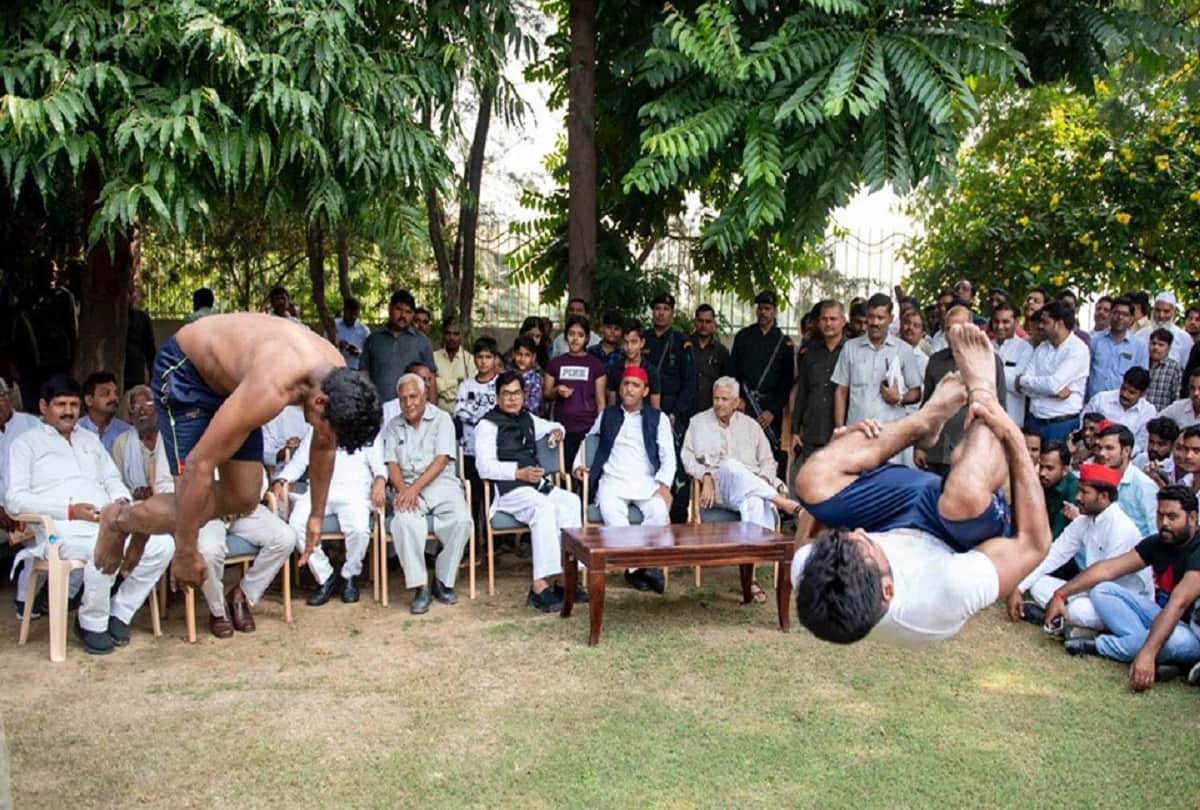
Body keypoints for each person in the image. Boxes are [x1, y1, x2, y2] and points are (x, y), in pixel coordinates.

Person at [89, 313, 381, 599]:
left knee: (245, 496)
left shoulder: (336, 379)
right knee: (194, 498)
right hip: (185, 372)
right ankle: (120, 519)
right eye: (326, 429)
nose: (323, 435)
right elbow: (199, 466)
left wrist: (316, 516)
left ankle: (145, 519)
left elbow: (324, 447)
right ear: (320, 402)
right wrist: (186, 552)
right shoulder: (272, 387)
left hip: (232, 383)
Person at [791, 323, 1051, 644]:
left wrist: (838, 455)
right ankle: (984, 393)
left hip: (890, 514)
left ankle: (927, 419)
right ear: (889, 588)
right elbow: (1035, 545)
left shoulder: (813, 572)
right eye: (866, 544)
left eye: (847, 537)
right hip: (951, 534)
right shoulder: (949, 590)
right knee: (962, 496)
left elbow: (810, 512)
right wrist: (1013, 438)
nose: (857, 531)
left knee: (811, 480)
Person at [7, 375, 172, 654]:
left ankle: (119, 612)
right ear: (44, 407)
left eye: (73, 404)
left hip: (105, 520)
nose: (69, 411)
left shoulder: (89, 440)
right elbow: (14, 500)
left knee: (163, 544)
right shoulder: (26, 444)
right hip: (59, 529)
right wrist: (70, 511)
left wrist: (120, 504)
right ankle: (92, 622)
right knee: (101, 549)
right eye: (61, 405)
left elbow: (112, 479)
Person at [1046, 486, 1200, 691]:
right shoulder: (1159, 542)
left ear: (1192, 518)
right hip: (1164, 617)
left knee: (1174, 641)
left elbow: (1178, 604)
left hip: (1193, 633)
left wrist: (1147, 653)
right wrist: (1061, 594)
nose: (1164, 523)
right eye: (1160, 515)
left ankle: (1099, 644)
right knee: (1102, 589)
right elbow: (1108, 568)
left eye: (1172, 517)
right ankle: (1159, 657)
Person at [475, 371, 581, 612]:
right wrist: (517, 473)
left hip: (536, 485)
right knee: (542, 508)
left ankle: (567, 580)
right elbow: (483, 467)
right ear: (497, 396)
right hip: (509, 490)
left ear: (524, 395)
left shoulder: (529, 419)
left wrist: (558, 432)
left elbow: (556, 425)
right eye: (506, 394)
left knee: (571, 502)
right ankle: (540, 587)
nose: (512, 399)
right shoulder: (488, 425)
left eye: (516, 393)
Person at [1007, 463, 1149, 633]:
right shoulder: (1084, 520)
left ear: (1103, 497)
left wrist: (1061, 595)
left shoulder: (1122, 529)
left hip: (1119, 600)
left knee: (1079, 609)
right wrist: (1019, 588)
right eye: (1079, 491)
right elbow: (1054, 554)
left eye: (1084, 492)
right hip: (1088, 591)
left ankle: (1067, 623)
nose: (1077, 497)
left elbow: (1102, 579)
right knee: (1039, 586)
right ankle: (1061, 620)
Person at [574, 366, 674, 593]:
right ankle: (638, 570)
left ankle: (640, 566)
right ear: (619, 388)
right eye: (625, 384)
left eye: (635, 385)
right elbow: (588, 440)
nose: (629, 389)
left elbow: (669, 455)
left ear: (646, 391)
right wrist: (577, 465)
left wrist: (664, 484)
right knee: (613, 515)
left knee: (659, 512)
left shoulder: (659, 419)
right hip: (612, 482)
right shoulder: (607, 415)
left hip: (647, 482)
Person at [383, 374, 472, 614]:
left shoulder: (442, 419)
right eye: (403, 399)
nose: (409, 403)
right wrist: (403, 490)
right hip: (407, 486)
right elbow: (391, 464)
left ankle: (443, 581)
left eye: (413, 397)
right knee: (403, 522)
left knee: (462, 521)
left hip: (441, 483)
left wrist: (414, 489)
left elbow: (441, 460)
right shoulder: (393, 425)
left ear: (424, 396)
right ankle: (420, 586)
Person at [273, 421, 386, 606]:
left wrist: (380, 482)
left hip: (355, 491)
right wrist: (282, 479)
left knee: (358, 529)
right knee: (296, 524)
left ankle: (350, 574)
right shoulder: (317, 429)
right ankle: (326, 577)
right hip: (319, 490)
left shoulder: (367, 427)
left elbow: (380, 467)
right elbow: (299, 462)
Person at [684, 376, 803, 533]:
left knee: (754, 502)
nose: (718, 403)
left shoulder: (751, 426)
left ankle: (755, 554)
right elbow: (687, 458)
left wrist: (762, 480)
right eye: (716, 398)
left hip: (750, 490)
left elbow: (768, 461)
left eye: (724, 399)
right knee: (729, 465)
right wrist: (705, 475)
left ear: (736, 403)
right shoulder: (697, 423)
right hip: (720, 490)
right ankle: (779, 501)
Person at [916, 305, 1005, 477]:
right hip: (936, 451)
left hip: (972, 451)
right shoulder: (936, 361)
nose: (953, 333)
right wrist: (920, 446)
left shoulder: (990, 361)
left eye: (958, 327)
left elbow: (1000, 408)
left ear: (971, 327)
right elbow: (926, 406)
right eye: (948, 328)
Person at [831, 293, 924, 452]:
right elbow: (841, 391)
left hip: (890, 438)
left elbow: (916, 393)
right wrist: (840, 430)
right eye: (871, 317)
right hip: (857, 436)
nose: (874, 323)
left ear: (891, 318)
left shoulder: (904, 350)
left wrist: (899, 398)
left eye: (880, 317)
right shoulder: (850, 348)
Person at [730, 291, 795, 452]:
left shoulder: (784, 343)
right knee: (741, 450)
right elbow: (733, 371)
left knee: (768, 453)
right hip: (744, 405)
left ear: (774, 310)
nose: (763, 312)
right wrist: (737, 398)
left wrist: (773, 410)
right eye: (760, 308)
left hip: (769, 409)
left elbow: (786, 382)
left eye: (767, 308)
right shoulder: (743, 337)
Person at [1017, 301, 1090, 443]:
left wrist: (1033, 385)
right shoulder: (1042, 347)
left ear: (1059, 324)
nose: (1040, 326)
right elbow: (1024, 384)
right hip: (1034, 422)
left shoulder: (1078, 350)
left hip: (1060, 425)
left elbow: (1052, 384)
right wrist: (1025, 382)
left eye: (1045, 322)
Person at [0, 376, 42, 615]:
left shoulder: (32, 426)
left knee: (44, 538)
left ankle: (25, 599)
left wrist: (24, 510)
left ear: (6, 399)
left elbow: (45, 476)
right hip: (1, 514)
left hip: (31, 509)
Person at [544, 315, 607, 471]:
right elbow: (546, 394)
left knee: (585, 472)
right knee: (563, 472)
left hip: (588, 428)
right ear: (565, 336)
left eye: (580, 335)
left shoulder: (596, 365)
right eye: (571, 334)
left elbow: (601, 401)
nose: (575, 339)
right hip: (561, 428)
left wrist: (601, 428)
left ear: (587, 339)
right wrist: (556, 391)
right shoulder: (555, 363)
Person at [359, 290, 437, 405]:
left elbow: (431, 379)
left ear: (413, 315)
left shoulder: (422, 341)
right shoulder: (373, 340)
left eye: (408, 312)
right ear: (390, 309)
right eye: (398, 309)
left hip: (412, 410)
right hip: (379, 409)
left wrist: (434, 411)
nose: (403, 315)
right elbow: (363, 374)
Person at [791, 300, 846, 462]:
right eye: (824, 319)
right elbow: (803, 392)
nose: (828, 323)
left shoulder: (852, 351)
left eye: (833, 319)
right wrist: (795, 430)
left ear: (843, 322)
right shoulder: (810, 352)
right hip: (812, 432)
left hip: (841, 433)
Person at [1093, 422, 1159, 539]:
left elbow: (1155, 531)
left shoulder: (1144, 485)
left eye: (1109, 448)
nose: (1102, 453)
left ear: (1126, 451)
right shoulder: (1098, 480)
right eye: (1100, 448)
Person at [1082, 367, 1155, 455]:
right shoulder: (1101, 399)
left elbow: (1141, 444)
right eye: (1123, 388)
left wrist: (1117, 455)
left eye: (1131, 392)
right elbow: (1084, 426)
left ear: (1142, 394)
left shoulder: (1148, 412)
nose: (1125, 394)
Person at [1087, 296, 1146, 400]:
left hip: (1122, 406)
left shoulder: (1139, 347)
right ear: (1110, 315)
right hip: (1094, 404)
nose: (1120, 317)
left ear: (1132, 319)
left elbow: (1141, 381)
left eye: (1125, 315)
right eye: (1116, 313)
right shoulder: (1095, 341)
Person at [110, 386, 158, 501]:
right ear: (131, 416)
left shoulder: (170, 438)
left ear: (158, 409)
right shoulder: (122, 443)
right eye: (135, 408)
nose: (142, 412)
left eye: (148, 405)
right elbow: (115, 482)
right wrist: (134, 493)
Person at [992, 301, 1031, 428]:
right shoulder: (985, 346)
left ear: (1016, 322)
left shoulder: (1025, 348)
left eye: (1005, 322)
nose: (1000, 326)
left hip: (1013, 422)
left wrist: (989, 372)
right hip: (987, 420)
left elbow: (1019, 386)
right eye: (996, 321)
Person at [607, 319, 661, 409]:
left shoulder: (651, 371)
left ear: (642, 343)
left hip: (644, 420)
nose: (629, 347)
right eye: (626, 342)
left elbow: (655, 408)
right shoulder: (616, 368)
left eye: (634, 342)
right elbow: (612, 403)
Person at [690, 304, 732, 415]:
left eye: (708, 322)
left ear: (714, 324)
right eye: (700, 321)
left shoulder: (721, 351)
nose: (703, 325)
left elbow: (726, 382)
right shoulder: (684, 346)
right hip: (686, 408)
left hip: (711, 409)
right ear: (695, 322)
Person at [1133, 291, 1192, 369]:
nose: (1161, 315)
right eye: (1158, 310)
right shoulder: (1140, 335)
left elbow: (1187, 370)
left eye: (1166, 311)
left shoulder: (1184, 338)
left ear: (1174, 312)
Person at [79, 371, 132, 453]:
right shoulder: (75, 430)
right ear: (89, 400)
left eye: (115, 393)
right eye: (106, 393)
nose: (114, 398)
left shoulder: (127, 432)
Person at [432, 317, 476, 414]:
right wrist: (456, 382)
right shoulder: (433, 357)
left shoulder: (470, 360)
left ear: (461, 336)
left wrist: (442, 388)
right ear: (443, 335)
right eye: (448, 333)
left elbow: (469, 389)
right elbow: (432, 386)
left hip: (461, 416)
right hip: (438, 414)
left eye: (455, 334)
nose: (451, 337)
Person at [1038, 442, 1079, 541]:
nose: (1042, 473)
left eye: (1049, 468)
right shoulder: (1038, 481)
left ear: (1064, 470)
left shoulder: (1073, 488)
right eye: (1041, 467)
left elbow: (1057, 534)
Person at [124, 291, 157, 390]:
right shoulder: (110, 319)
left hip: (135, 372)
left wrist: (152, 374)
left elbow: (150, 350)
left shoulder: (142, 318)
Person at [1145, 328, 1183, 411]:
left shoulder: (1173, 368)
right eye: (1153, 343)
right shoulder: (1142, 363)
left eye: (1161, 345)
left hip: (1162, 417)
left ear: (1168, 348)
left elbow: (1176, 397)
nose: (1156, 347)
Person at [1138, 416, 1179, 487]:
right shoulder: (1141, 459)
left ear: (1172, 446)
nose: (1154, 448)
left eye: (1161, 444)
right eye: (1151, 442)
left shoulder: (1177, 466)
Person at [510, 335, 544, 416]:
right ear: (513, 354)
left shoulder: (536, 379)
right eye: (519, 354)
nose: (522, 359)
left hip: (528, 420)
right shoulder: (508, 376)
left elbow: (533, 405)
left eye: (527, 355)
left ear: (533, 357)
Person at [335, 297, 370, 371]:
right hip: (336, 369)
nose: (353, 317)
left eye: (355, 314)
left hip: (356, 370)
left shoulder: (364, 330)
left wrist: (358, 352)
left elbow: (370, 355)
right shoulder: (334, 326)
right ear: (344, 311)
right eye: (350, 314)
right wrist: (338, 346)